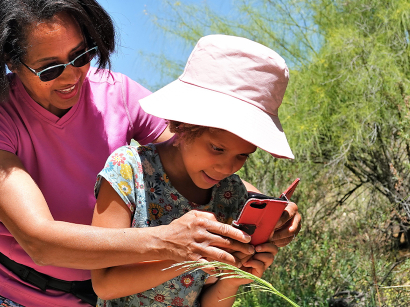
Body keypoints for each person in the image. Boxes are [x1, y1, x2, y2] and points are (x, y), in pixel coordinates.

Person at [0, 0, 301, 306]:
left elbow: (194, 155)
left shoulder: (117, 93)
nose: (72, 75)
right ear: (9, 61)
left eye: (81, 55)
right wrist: (169, 242)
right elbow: (39, 241)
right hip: (8, 294)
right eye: (50, 68)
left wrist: (269, 208)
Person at [91, 34, 294, 307]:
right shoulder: (129, 171)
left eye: (243, 155)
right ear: (184, 125)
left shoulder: (230, 194)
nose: (228, 167)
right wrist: (185, 258)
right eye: (217, 148)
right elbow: (104, 284)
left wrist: (235, 277)